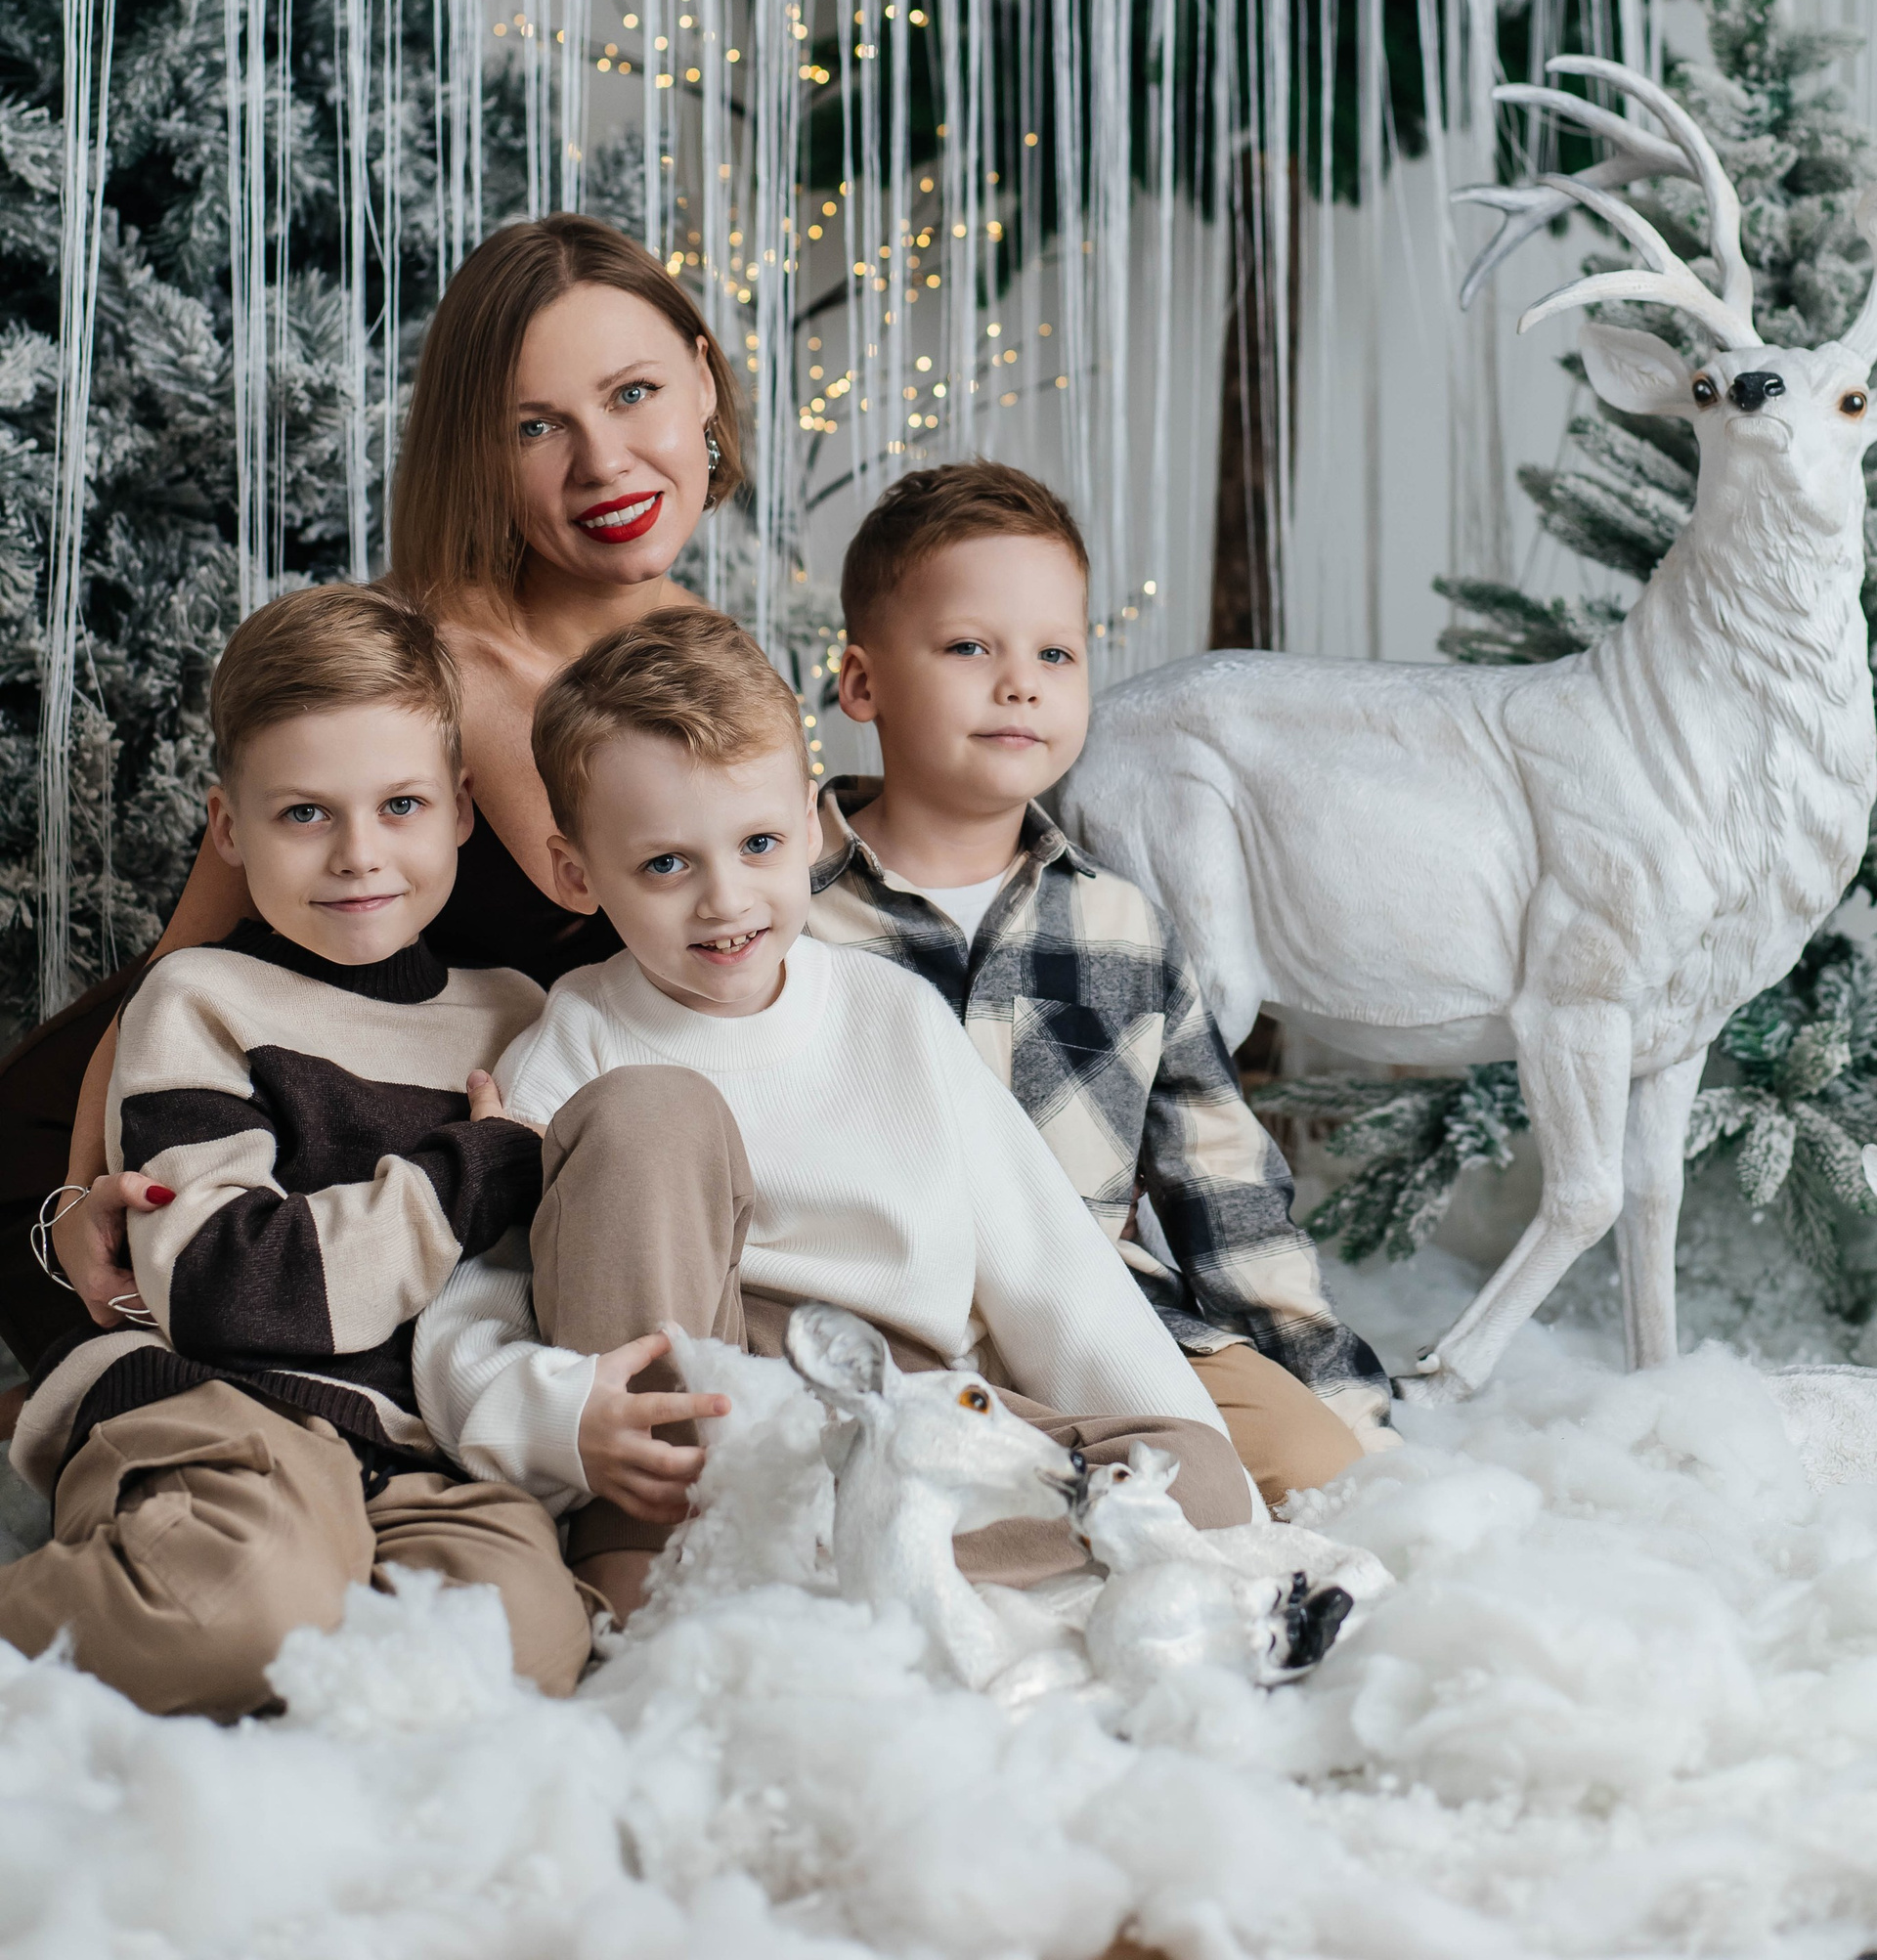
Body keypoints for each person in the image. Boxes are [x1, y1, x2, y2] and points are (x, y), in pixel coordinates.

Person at [0, 214, 744, 1375]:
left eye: (633, 393)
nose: (603, 463)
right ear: (477, 454)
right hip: (278, 1188)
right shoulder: (404, 666)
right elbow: (179, 967)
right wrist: (74, 1204)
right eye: (536, 426)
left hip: (498, 1202)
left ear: (702, 381)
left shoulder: (722, 671)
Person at [412, 607, 1254, 1628]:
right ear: (576, 874)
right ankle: (666, 1557)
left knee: (1190, 1474)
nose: (726, 901)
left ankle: (840, 1556)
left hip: (895, 1412)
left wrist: (1207, 1475)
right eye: (667, 865)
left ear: (811, 830)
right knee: (649, 1111)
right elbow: (471, 1312)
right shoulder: (575, 1039)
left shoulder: (892, 1013)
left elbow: (1051, 1267)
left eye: (758, 843)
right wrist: (559, 1416)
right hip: (693, 1414)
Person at [0, 583, 595, 1718]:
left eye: (402, 805)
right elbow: (226, 1288)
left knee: (523, 1646)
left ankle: (308, 1646)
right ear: (229, 827)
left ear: (462, 810)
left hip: (423, 1443)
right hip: (228, 1407)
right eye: (305, 814)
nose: (360, 856)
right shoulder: (202, 999)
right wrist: (470, 1172)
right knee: (243, 1601)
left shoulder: (520, 1015)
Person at [804, 460, 1393, 1505]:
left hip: (1101, 1315)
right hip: (883, 1322)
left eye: (1056, 653)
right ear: (862, 684)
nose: (1020, 683)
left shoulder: (1123, 928)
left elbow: (1225, 1190)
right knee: (863, 1490)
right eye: (969, 647)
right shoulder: (783, 909)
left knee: (1315, 1467)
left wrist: (1338, 1398)